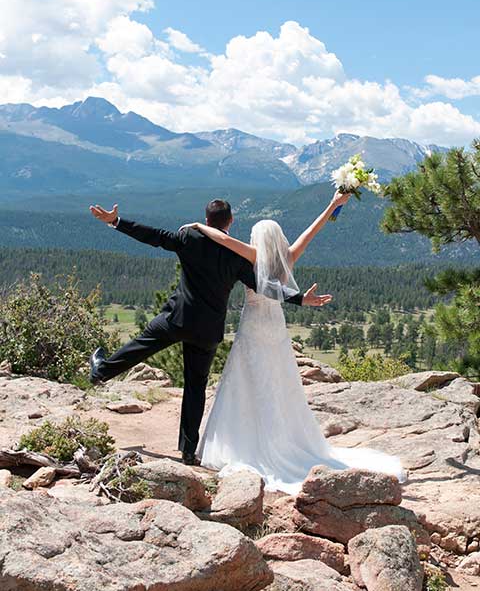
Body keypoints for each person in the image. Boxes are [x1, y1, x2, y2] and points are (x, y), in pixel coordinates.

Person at [184, 194, 406, 493]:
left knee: (246, 381)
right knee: (279, 381)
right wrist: (332, 205)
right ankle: (283, 436)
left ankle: (245, 440)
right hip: (275, 329)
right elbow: (312, 231)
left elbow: (222, 240)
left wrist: (199, 224)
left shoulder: (252, 256)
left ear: (257, 239)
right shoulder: (288, 256)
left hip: (252, 328)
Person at [88, 199, 332, 466]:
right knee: (195, 387)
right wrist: (300, 299)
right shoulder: (239, 257)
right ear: (230, 222)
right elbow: (264, 287)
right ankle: (188, 451)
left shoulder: (189, 236)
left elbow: (154, 236)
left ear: (206, 220)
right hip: (208, 329)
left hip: (176, 318)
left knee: (141, 345)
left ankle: (102, 371)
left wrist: (116, 222)